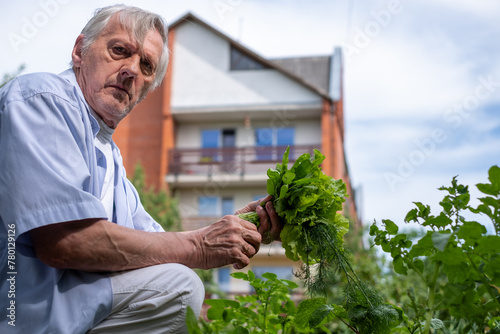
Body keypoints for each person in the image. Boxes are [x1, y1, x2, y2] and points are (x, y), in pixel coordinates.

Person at [0, 5, 282, 334]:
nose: (131, 70)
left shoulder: (110, 158)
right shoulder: (44, 99)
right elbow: (64, 242)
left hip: (61, 320)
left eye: (146, 65)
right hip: (18, 321)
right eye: (119, 50)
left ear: (145, 91)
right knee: (181, 289)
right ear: (80, 51)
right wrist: (201, 245)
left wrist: (238, 227)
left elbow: (157, 248)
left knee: (178, 284)